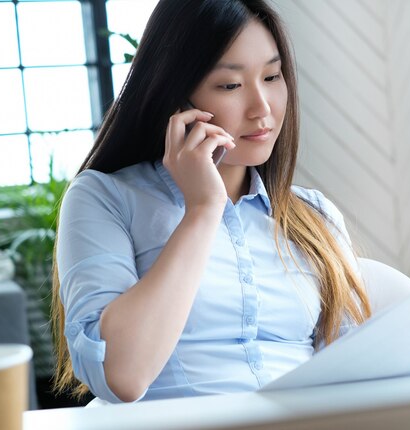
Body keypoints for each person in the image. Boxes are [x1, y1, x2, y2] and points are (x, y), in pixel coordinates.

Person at [51, 0, 371, 404]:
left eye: (272, 76)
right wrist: (203, 210)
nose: (263, 108)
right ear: (177, 99)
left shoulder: (314, 215)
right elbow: (121, 377)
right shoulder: (103, 199)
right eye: (230, 85)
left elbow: (357, 372)